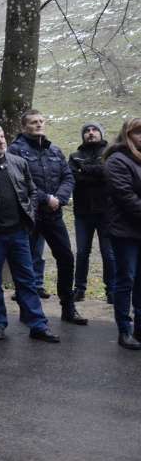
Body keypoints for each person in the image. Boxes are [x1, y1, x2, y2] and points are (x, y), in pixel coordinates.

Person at [0, 124, 59, 343]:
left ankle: (37, 324)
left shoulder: (19, 163)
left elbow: (32, 191)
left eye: (1, 137)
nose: (1, 141)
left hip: (18, 233)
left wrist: (29, 214)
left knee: (27, 279)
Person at [8, 110, 87, 324]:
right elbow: (19, 183)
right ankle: (28, 310)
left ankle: (68, 308)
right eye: (34, 122)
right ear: (24, 127)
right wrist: (45, 198)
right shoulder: (15, 150)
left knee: (66, 258)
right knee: (26, 264)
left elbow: (68, 177)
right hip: (29, 216)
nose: (39, 125)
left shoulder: (55, 150)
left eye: (42, 121)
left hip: (54, 215)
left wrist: (59, 198)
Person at [69, 122, 116, 304]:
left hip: (107, 212)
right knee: (82, 252)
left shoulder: (111, 154)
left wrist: (85, 170)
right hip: (82, 213)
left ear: (101, 134)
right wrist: (96, 172)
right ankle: (79, 289)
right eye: (87, 131)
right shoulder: (75, 156)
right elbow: (73, 177)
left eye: (94, 130)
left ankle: (111, 291)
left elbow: (108, 174)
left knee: (108, 253)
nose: (90, 133)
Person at [104, 118, 141, 349]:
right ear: (127, 134)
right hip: (125, 231)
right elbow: (127, 198)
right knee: (125, 280)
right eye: (138, 132)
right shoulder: (117, 160)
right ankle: (124, 330)